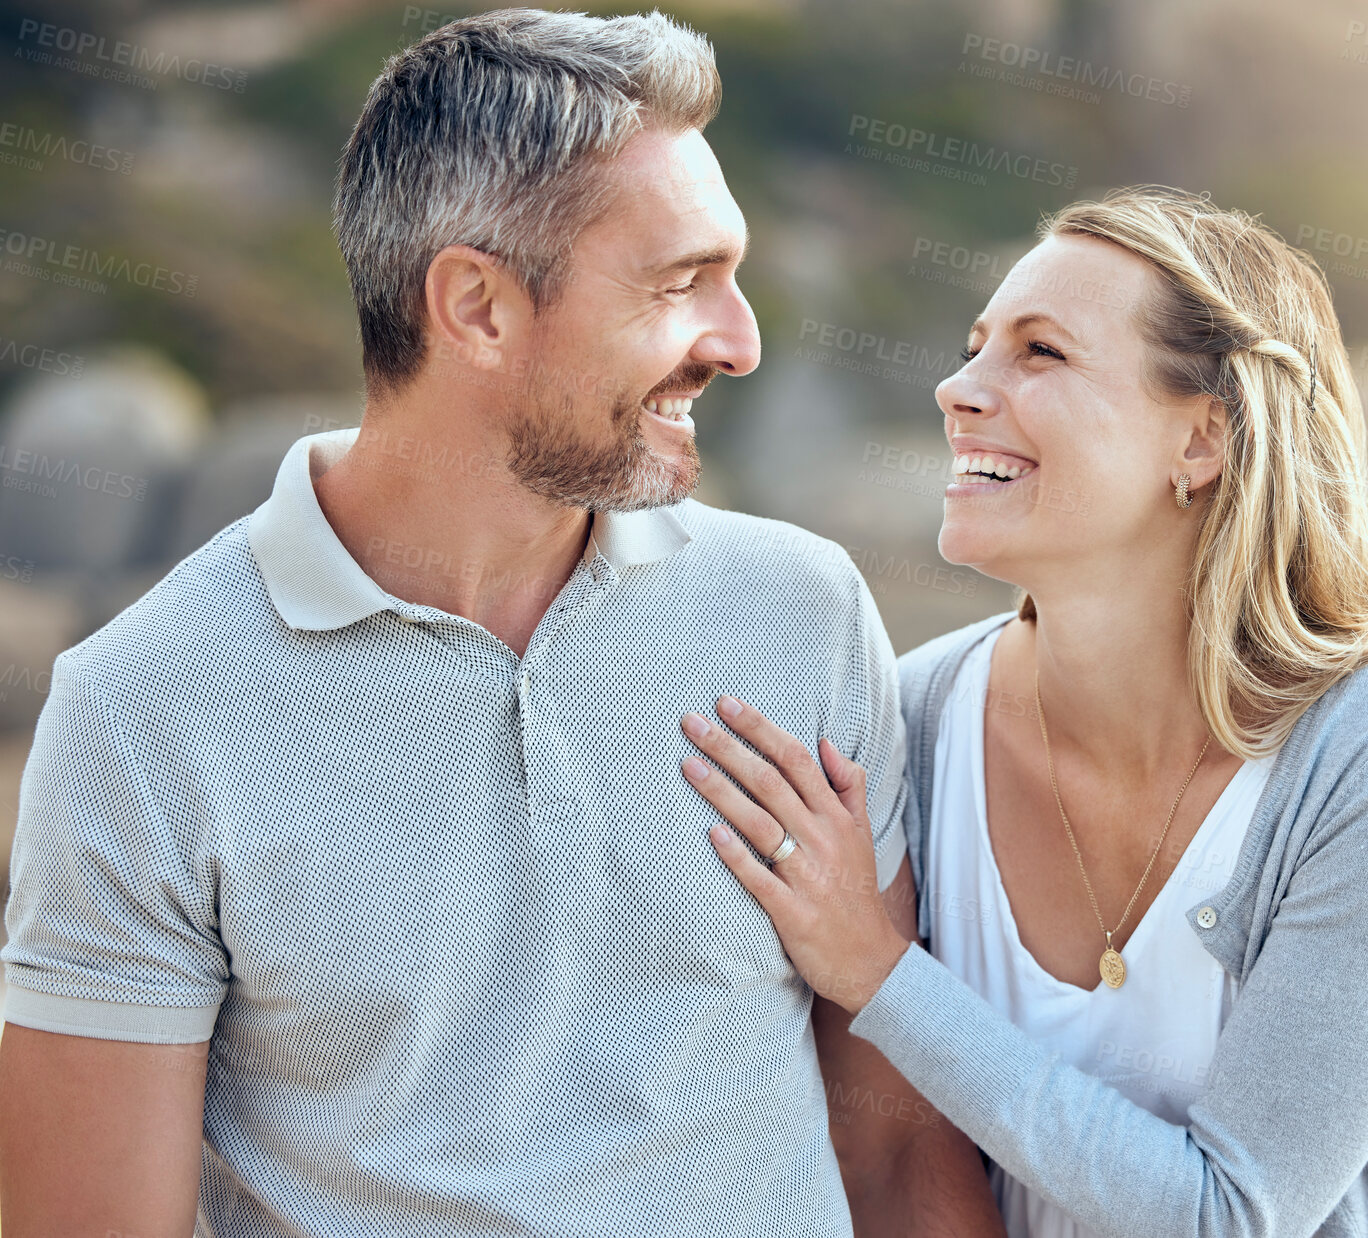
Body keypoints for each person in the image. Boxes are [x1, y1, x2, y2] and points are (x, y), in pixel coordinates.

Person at [0, 11, 1004, 1236]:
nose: (738, 343)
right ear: (475, 306)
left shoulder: (800, 609)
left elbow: (899, 1151)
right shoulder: (144, 710)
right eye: (679, 283)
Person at [677, 186, 1368, 1237]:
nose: (957, 388)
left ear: (1202, 440)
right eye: (973, 345)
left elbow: (1230, 1214)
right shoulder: (913, 719)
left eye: (1039, 353)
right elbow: (870, 1148)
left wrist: (881, 972)